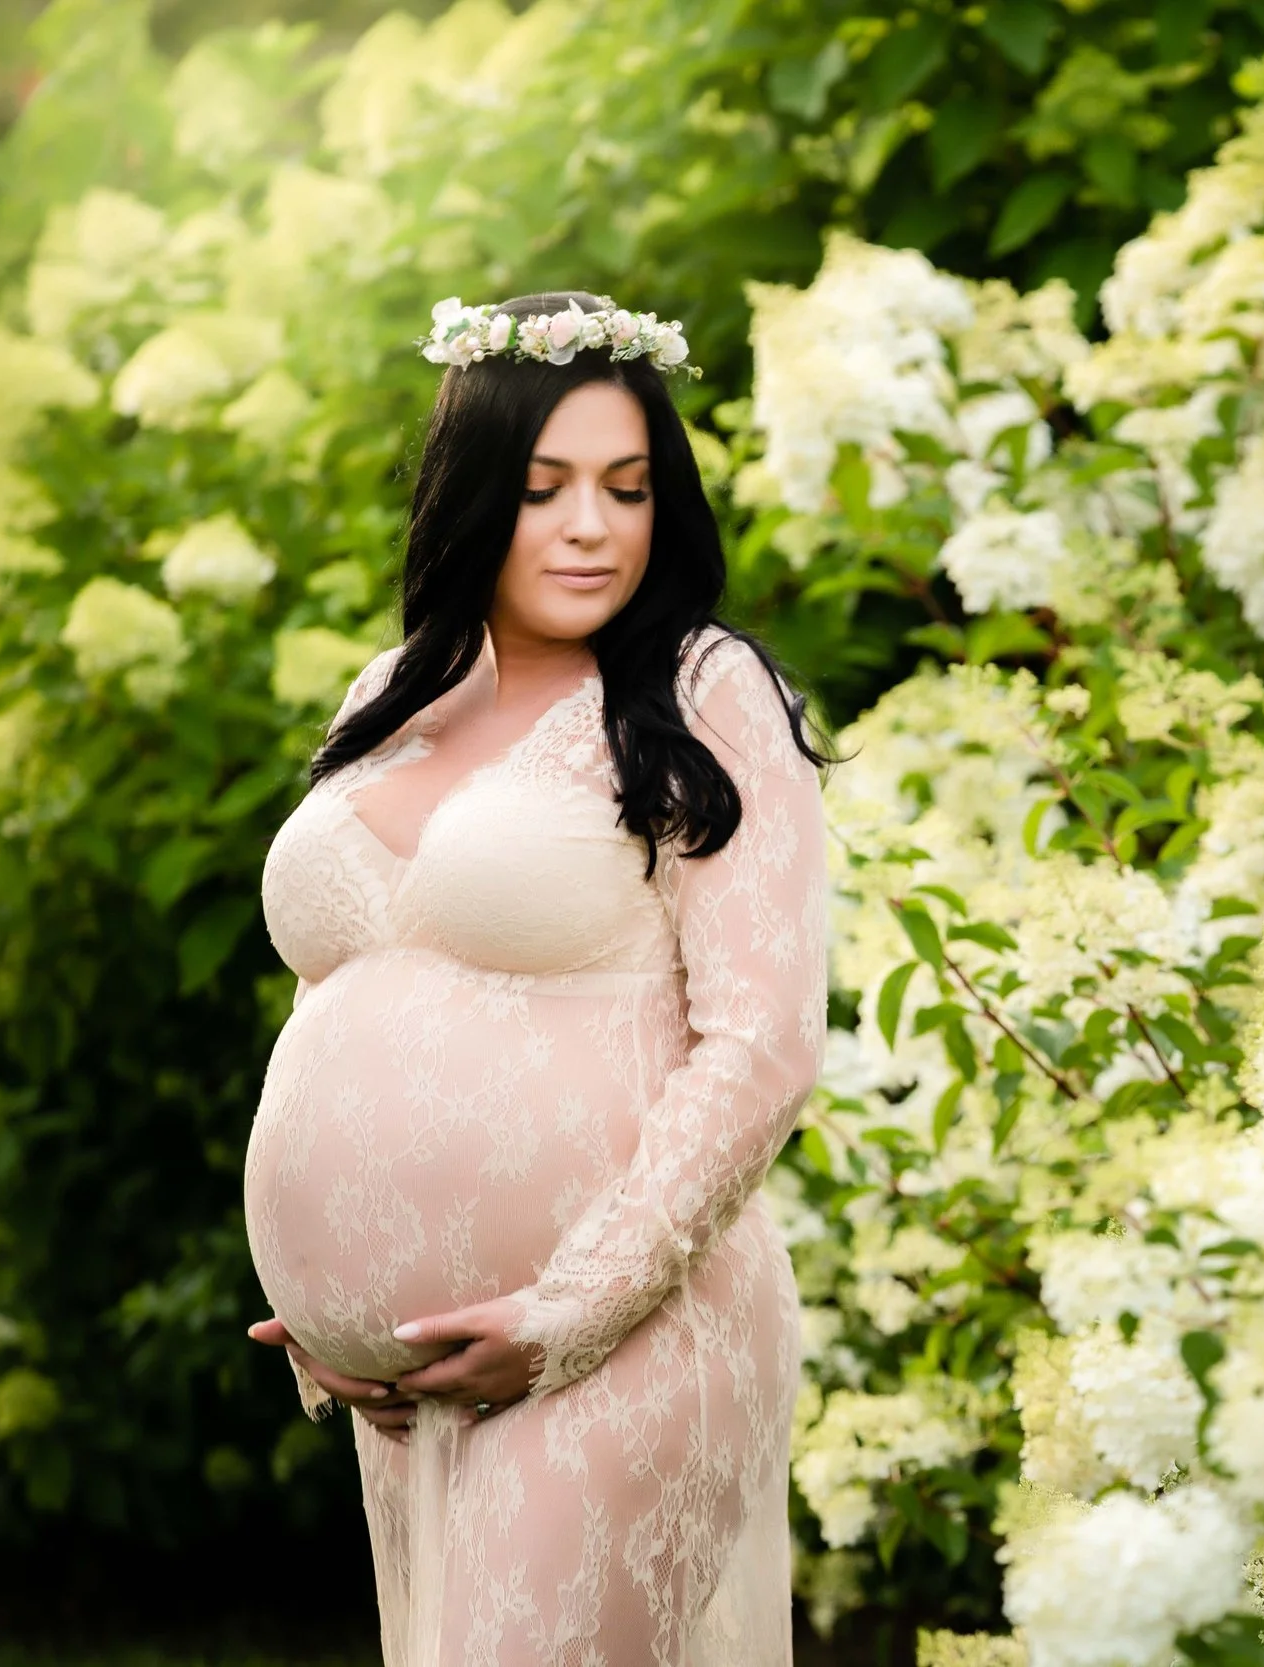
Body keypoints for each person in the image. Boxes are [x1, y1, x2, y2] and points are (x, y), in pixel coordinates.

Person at [242, 290, 831, 1666]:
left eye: (627, 489)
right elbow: (344, 998)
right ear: (468, 498)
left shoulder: (702, 692)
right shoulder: (391, 696)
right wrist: (328, 1285)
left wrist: (568, 1314)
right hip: (404, 1377)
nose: (591, 526)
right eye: (544, 487)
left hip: (630, 1333)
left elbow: (760, 1046)